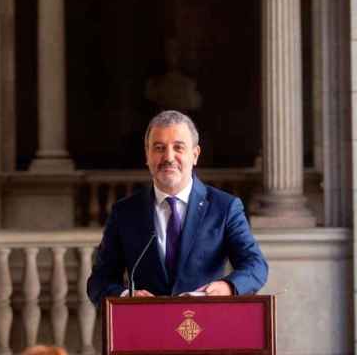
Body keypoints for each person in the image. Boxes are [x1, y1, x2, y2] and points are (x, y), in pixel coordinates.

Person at [87, 110, 267, 307]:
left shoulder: (224, 207)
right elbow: (99, 281)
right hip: (146, 329)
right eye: (159, 148)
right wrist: (125, 297)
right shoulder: (125, 213)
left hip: (205, 326)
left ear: (195, 154)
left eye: (178, 147)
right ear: (147, 155)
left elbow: (256, 265)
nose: (168, 157)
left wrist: (228, 287)